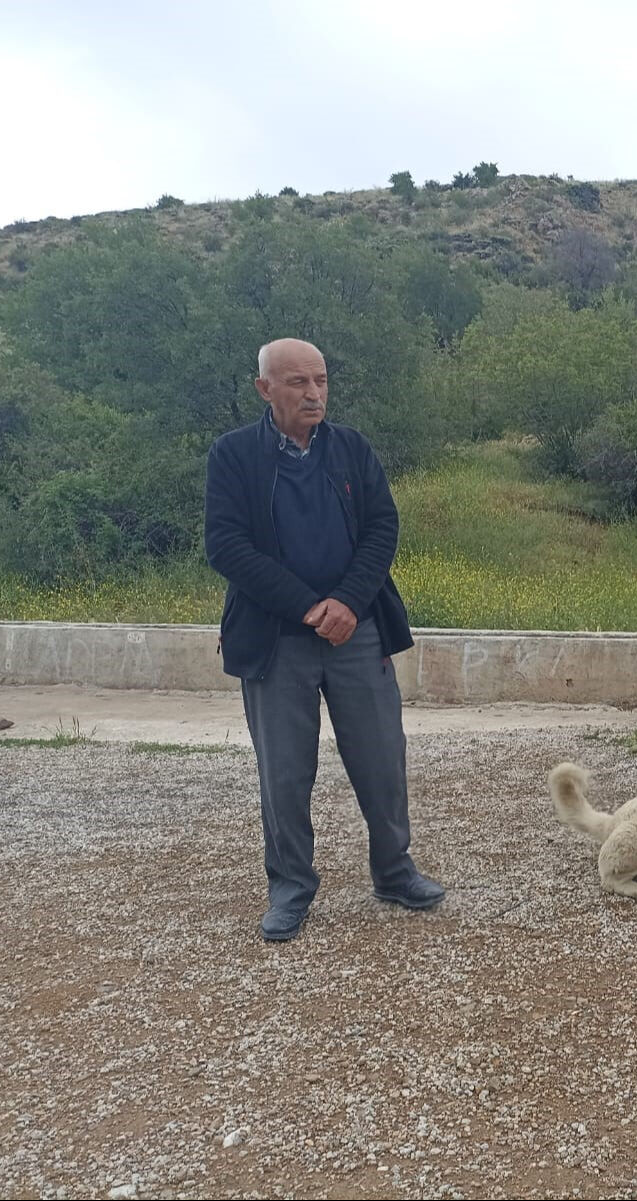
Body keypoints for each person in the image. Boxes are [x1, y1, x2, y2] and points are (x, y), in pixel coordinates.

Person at [204, 338, 444, 941]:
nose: (313, 394)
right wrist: (310, 607)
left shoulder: (352, 449)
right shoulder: (233, 455)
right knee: (283, 772)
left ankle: (394, 872)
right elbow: (226, 546)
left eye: (321, 381)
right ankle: (290, 888)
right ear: (265, 389)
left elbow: (382, 528)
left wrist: (346, 602)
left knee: (381, 760)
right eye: (297, 383)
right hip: (276, 639)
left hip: (357, 632)